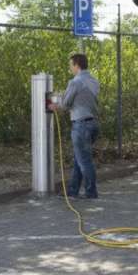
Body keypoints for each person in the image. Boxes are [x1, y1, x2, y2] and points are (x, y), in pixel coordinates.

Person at [49, 53, 100, 199]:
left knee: (84, 161)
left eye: (71, 65)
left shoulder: (75, 82)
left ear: (77, 65)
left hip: (81, 125)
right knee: (80, 159)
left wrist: (54, 105)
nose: (70, 68)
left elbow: (65, 104)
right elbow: (83, 99)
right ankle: (72, 191)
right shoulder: (93, 81)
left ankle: (91, 192)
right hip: (93, 124)